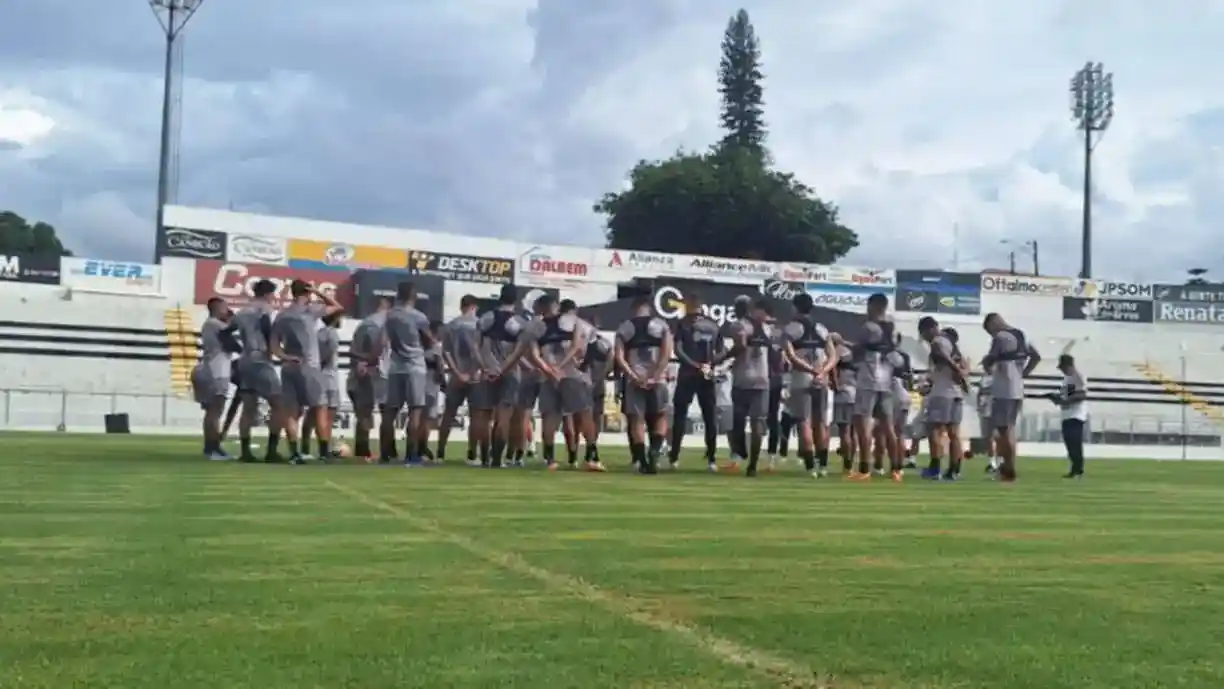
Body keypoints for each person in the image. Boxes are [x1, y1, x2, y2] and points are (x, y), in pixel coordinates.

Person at [503, 293, 603, 471]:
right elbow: (578, 346)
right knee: (584, 413)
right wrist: (562, 366)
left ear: (540, 308)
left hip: (548, 377)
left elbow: (534, 355)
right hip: (571, 374)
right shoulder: (574, 321)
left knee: (550, 417)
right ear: (556, 305)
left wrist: (549, 370)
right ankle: (591, 455)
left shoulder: (536, 327)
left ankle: (550, 459)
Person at [270, 279, 344, 465]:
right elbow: (337, 306)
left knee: (292, 413)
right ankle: (323, 453)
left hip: (289, 367)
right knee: (320, 408)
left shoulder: (282, 315)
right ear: (307, 293)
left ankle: (295, 454)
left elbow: (273, 344)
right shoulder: (310, 311)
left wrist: (285, 357)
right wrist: (317, 291)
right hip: (310, 367)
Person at [614, 294, 674, 474]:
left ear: (634, 309)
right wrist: (655, 375)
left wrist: (632, 376)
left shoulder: (625, 328)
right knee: (660, 416)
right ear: (649, 309)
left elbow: (619, 356)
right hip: (658, 379)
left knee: (637, 420)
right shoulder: (662, 325)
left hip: (635, 380)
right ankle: (654, 451)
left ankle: (641, 461)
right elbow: (667, 353)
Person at [779, 292, 838, 478]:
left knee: (804, 421)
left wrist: (811, 371)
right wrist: (822, 371)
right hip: (821, 378)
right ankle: (823, 466)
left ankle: (811, 466)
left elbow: (792, 357)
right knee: (820, 423)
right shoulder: (822, 328)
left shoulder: (790, 329)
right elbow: (833, 355)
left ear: (795, 307)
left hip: (802, 378)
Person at [980, 312, 1041, 481]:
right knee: (1010, 430)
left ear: (993, 324)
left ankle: (1008, 470)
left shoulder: (1001, 337)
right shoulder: (1021, 335)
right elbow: (1036, 356)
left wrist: (986, 365)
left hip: (1003, 389)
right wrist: (1024, 373)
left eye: (989, 331)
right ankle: (1009, 468)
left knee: (1003, 430)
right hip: (1017, 389)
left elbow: (990, 360)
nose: (991, 335)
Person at [231, 279, 287, 463]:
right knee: (279, 404)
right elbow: (266, 326)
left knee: (248, 407)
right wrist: (273, 348)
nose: (273, 297)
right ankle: (271, 451)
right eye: (272, 294)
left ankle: (245, 452)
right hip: (261, 359)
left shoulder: (242, 311)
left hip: (245, 359)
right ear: (267, 294)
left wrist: (238, 348)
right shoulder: (264, 309)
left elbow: (226, 331)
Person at [381, 281, 435, 466]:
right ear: (413, 295)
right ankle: (412, 456)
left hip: (396, 366)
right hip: (415, 366)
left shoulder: (390, 315)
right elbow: (429, 341)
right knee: (415, 411)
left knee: (390, 412)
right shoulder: (418, 316)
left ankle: (385, 454)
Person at [668, 293, 723, 471]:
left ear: (690, 305)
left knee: (680, 416)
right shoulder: (714, 325)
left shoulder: (683, 323)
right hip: (707, 375)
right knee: (710, 417)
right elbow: (722, 351)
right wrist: (710, 364)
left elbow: (677, 350)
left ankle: (674, 457)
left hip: (687, 374)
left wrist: (694, 365)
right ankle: (712, 460)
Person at [476, 284, 528, 468]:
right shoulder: (520, 322)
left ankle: (483, 458)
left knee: (484, 415)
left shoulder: (486, 318)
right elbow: (519, 352)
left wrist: (484, 367)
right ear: (515, 300)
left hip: (488, 371)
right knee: (504, 417)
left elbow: (476, 346)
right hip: (510, 373)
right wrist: (504, 370)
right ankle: (497, 459)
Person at [850, 293, 900, 482]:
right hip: (886, 382)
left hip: (868, 380)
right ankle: (896, 469)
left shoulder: (868, 328)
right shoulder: (891, 329)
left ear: (873, 306)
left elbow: (857, 353)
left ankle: (865, 469)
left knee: (863, 425)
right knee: (888, 428)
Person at [725, 296, 773, 477]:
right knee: (757, 424)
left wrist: (720, 359)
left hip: (743, 379)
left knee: (738, 420)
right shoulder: (767, 328)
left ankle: (740, 451)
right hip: (762, 380)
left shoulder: (738, 325)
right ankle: (752, 465)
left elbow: (740, 346)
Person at [918, 316, 968, 480]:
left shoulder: (937, 342)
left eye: (923, 334)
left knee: (936, 430)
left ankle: (935, 468)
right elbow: (963, 366)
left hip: (942, 393)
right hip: (955, 393)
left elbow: (942, 357)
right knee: (954, 433)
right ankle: (954, 470)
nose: (924, 338)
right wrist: (962, 379)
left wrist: (957, 372)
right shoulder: (953, 345)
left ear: (929, 329)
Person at [192, 297, 241, 460]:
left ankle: (212, 447)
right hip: (216, 372)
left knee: (212, 412)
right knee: (215, 412)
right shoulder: (215, 324)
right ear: (216, 308)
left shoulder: (210, 325)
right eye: (224, 307)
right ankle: (212, 448)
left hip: (210, 369)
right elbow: (232, 344)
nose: (227, 311)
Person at [439, 294, 483, 465]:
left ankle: (440, 453)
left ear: (461, 306)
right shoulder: (479, 325)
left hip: (456, 376)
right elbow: (478, 352)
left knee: (448, 415)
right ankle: (472, 454)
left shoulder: (451, 326)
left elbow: (446, 352)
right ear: (474, 307)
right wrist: (472, 372)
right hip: (475, 376)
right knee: (476, 416)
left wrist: (457, 373)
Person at [347, 296, 391, 461]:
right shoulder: (380, 324)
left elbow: (353, 349)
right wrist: (366, 361)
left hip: (364, 371)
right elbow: (374, 350)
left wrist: (359, 362)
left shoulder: (364, 324)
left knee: (364, 412)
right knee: (385, 412)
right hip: (377, 372)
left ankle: (362, 449)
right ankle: (386, 451)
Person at [301, 311, 343, 459]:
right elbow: (328, 354)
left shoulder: (318, 333)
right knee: (328, 417)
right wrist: (322, 364)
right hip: (329, 378)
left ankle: (305, 449)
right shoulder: (331, 334)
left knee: (312, 414)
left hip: (316, 377)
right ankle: (324, 451)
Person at [579, 312, 613, 467]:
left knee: (590, 418)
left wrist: (602, 374)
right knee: (592, 418)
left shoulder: (588, 342)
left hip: (590, 383)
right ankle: (590, 449)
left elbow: (612, 358)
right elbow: (612, 358)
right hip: (593, 383)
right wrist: (603, 374)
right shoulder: (602, 343)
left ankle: (589, 449)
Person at [1053, 353, 1088, 478]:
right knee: (1070, 443)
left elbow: (1081, 395)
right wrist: (1059, 399)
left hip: (1076, 415)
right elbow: (1069, 395)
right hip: (1067, 414)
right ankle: (1075, 468)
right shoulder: (1068, 378)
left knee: (1074, 442)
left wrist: (1065, 401)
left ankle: (1078, 469)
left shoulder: (1077, 377)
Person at [417, 321, 446, 461]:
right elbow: (439, 367)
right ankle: (421, 447)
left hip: (418, 385)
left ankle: (418, 446)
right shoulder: (436, 347)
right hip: (430, 386)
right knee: (426, 419)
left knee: (419, 417)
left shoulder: (418, 347)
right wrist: (444, 384)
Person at [829, 332, 857, 472]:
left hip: (844, 393)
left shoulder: (836, 352)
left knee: (844, 430)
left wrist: (835, 385)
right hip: (856, 393)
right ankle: (851, 461)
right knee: (853, 431)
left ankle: (847, 466)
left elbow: (832, 367)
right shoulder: (852, 352)